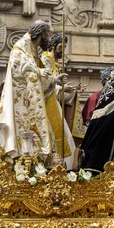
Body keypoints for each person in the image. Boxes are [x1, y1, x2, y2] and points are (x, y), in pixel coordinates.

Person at [0, 20, 66, 160]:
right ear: (41, 33)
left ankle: (40, 160)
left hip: (32, 103)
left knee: (45, 134)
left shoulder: (35, 49)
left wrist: (54, 80)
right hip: (21, 103)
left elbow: (42, 76)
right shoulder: (21, 45)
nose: (49, 38)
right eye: (48, 34)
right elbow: (18, 62)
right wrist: (37, 70)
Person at [40, 33, 76, 168]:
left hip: (54, 102)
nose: (62, 50)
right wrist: (60, 86)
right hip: (46, 104)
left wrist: (65, 88)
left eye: (64, 47)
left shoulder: (55, 62)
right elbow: (43, 82)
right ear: (53, 46)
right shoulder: (45, 59)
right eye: (61, 47)